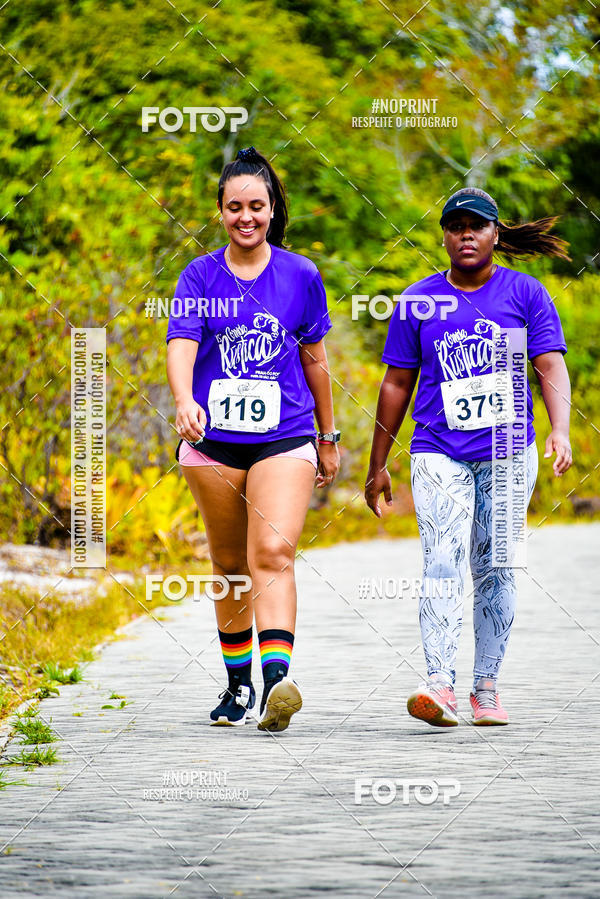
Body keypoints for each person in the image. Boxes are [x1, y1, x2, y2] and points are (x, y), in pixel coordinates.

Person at [365, 187, 572, 727]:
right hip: (438, 448)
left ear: (495, 234)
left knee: (496, 566)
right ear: (443, 236)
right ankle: (440, 685)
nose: (466, 235)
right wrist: (377, 463)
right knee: (441, 560)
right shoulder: (418, 301)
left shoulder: (525, 294)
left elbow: (550, 365)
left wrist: (561, 430)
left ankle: (486, 688)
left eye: (476, 226)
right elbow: (396, 384)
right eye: (455, 226)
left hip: (507, 449)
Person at [166, 147, 340, 732]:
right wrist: (184, 399)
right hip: (213, 439)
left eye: (257, 206)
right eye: (235, 207)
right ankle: (237, 686)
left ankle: (274, 686)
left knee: (271, 553)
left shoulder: (300, 274)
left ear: (272, 210)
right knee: (228, 562)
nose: (247, 217)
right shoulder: (199, 276)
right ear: (220, 211)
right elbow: (182, 343)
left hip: (284, 435)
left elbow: (315, 360)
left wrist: (328, 436)